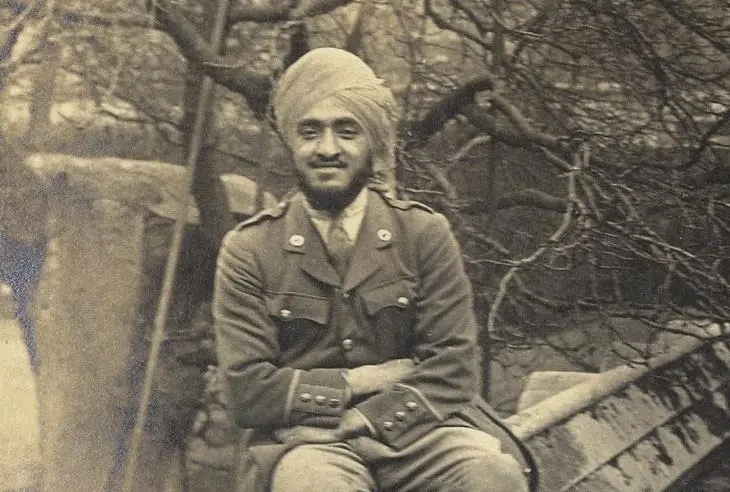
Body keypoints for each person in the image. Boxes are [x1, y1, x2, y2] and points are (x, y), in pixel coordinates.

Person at [212, 47, 535, 492]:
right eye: (310, 131)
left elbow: (455, 367)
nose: (328, 149)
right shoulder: (249, 248)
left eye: (347, 131)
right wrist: (358, 381)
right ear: (290, 141)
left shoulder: (423, 233)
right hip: (309, 447)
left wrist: (360, 419)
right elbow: (246, 390)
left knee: (492, 474)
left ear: (372, 142)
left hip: (420, 431)